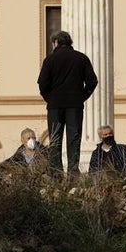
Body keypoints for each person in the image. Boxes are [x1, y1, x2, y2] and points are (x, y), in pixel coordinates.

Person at [37, 30, 98, 174]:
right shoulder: (81, 58)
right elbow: (92, 81)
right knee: (74, 140)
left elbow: (42, 84)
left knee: (55, 140)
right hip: (75, 106)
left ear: (56, 43)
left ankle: (56, 174)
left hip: (55, 107)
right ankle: (72, 173)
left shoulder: (49, 60)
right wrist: (82, 96)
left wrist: (49, 98)